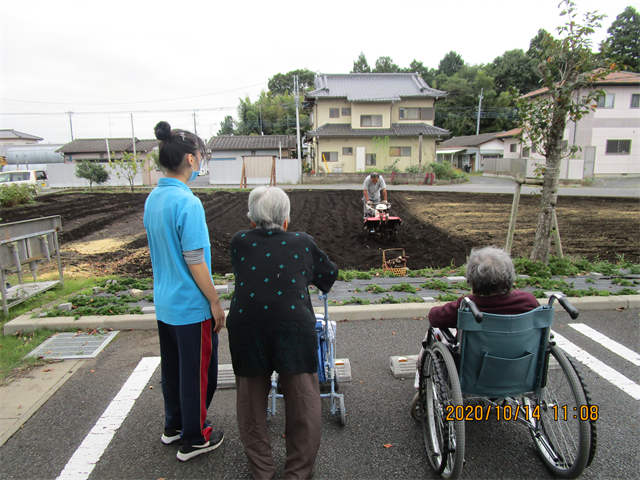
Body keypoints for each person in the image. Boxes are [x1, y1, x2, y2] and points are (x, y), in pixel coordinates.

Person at [227, 186, 338, 480]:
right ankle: (297, 473)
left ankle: (263, 473)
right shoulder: (302, 242)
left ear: (251, 220)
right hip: (293, 326)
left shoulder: (239, 242)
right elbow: (329, 276)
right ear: (286, 220)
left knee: (251, 403)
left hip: (246, 327)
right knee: (303, 401)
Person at [143, 121, 225, 462]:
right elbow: (195, 260)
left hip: (166, 304)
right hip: (191, 308)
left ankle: (174, 425)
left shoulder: (153, 198)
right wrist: (215, 301)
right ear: (191, 159)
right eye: (201, 156)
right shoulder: (189, 204)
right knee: (198, 374)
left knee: (175, 369)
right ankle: (194, 437)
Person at [428, 246, 540, 330]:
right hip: (523, 357)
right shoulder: (527, 301)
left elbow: (434, 317)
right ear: (509, 277)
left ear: (472, 281)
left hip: (477, 358)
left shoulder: (466, 306)